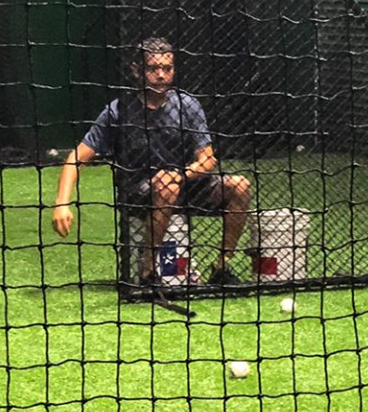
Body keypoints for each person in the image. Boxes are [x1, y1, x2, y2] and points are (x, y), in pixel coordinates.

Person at [52, 37, 250, 286]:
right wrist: (62, 203)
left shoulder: (187, 105)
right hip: (139, 192)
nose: (160, 75)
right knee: (167, 187)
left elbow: (207, 159)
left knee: (239, 185)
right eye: (153, 68)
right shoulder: (119, 111)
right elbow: (76, 158)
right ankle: (147, 273)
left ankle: (222, 267)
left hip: (184, 185)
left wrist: (179, 175)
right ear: (137, 71)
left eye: (167, 69)